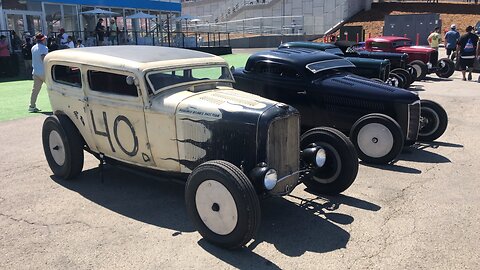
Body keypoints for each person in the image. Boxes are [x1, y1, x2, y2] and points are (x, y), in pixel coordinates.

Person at [29, 33, 48, 113]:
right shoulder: (44, 48)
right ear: (43, 39)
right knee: (54, 89)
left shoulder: (33, 47)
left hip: (36, 72)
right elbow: (43, 58)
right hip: (44, 72)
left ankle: (32, 106)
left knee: (35, 90)